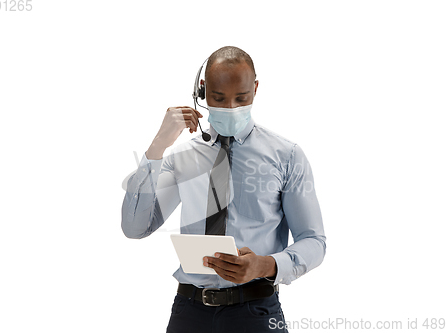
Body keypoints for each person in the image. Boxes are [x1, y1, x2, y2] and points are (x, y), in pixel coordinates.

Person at [121, 46, 326, 333]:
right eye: (219, 98)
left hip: (255, 312)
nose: (230, 108)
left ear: (255, 89)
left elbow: (314, 241)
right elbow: (135, 227)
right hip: (189, 312)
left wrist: (266, 265)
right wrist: (157, 147)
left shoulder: (287, 156)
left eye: (241, 98)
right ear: (202, 91)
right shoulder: (182, 158)